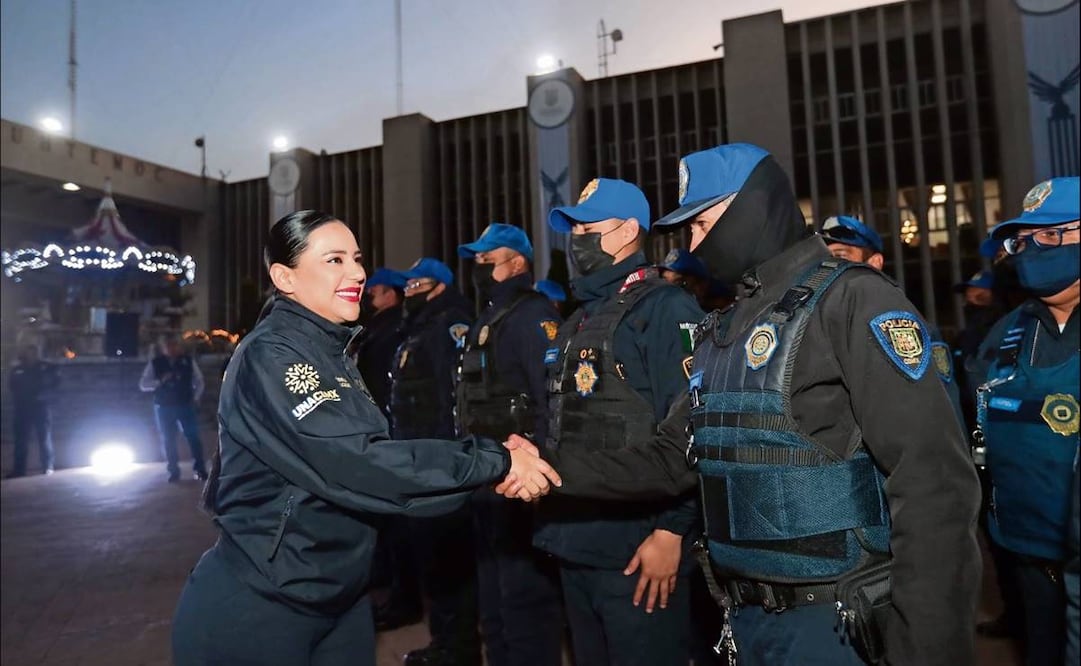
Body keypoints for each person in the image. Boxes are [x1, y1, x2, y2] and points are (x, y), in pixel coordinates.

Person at [504, 144, 982, 666]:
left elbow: (933, 484)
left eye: (702, 225)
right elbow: (671, 458)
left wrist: (929, 648)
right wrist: (545, 469)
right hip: (747, 622)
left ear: (752, 209)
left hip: (838, 622)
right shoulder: (725, 329)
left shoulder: (854, 302)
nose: (693, 245)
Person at [171, 210, 560, 666]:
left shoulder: (331, 350)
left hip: (337, 596)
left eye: (356, 259)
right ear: (285, 277)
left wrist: (487, 467)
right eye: (334, 260)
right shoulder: (271, 354)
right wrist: (497, 461)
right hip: (263, 602)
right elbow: (359, 462)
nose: (357, 272)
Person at [535, 177, 705, 666]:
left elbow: (694, 424)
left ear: (629, 230)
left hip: (639, 551)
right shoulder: (581, 318)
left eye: (589, 226)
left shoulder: (666, 308)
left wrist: (674, 532)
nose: (578, 238)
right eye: (574, 227)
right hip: (576, 541)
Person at [970, 177, 1080, 666]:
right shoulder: (1007, 331)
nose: (1034, 249)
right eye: (1024, 240)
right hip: (1024, 550)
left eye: (1052, 236)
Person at [457, 223, 564, 666]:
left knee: (525, 606)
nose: (479, 268)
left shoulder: (532, 315)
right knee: (494, 603)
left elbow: (552, 400)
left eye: (488, 259)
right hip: (486, 478)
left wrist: (542, 474)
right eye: (476, 260)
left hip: (520, 487)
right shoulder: (488, 317)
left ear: (516, 263)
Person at [390, 257, 483, 666]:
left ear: (440, 286)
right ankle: (445, 640)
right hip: (419, 460)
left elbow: (454, 395)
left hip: (440, 462)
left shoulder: (450, 323)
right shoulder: (420, 327)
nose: (409, 291)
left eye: (419, 284)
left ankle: (458, 648)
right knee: (434, 561)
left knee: (448, 560)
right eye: (407, 286)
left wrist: (451, 460)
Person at [821, 214, 966, 425]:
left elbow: (942, 407)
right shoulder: (816, 319)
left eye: (841, 255)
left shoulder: (899, 322)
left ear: (874, 262)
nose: (830, 265)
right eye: (826, 257)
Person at [139, 333, 208, 483]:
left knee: (193, 437)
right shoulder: (156, 363)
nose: (172, 349)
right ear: (163, 348)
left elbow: (199, 381)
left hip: (185, 404)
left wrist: (196, 397)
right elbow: (143, 384)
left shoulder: (188, 362)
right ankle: (173, 471)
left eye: (175, 345)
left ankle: (200, 469)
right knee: (168, 439)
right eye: (169, 346)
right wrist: (159, 382)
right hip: (164, 406)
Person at [355, 267, 406, 416]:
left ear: (390, 295)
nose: (367, 296)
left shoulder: (394, 328)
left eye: (372, 292)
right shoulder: (375, 327)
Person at [7, 344, 58, 477]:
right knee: (21, 440)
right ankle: (19, 469)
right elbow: (12, 386)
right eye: (28, 353)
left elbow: (55, 383)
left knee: (44, 437)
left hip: (40, 407)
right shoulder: (18, 369)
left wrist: (45, 396)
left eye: (33, 353)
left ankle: (47, 466)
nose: (31, 356)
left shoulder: (46, 368)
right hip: (22, 408)